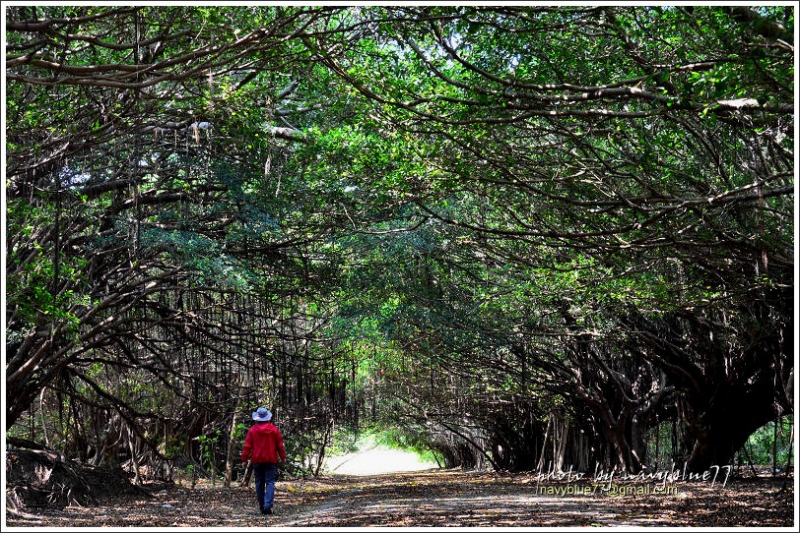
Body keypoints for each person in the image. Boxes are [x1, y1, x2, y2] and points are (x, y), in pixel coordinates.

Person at [241, 407, 286, 515]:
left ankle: (262, 507)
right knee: (270, 482)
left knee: (259, 483)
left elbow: (247, 446)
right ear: (268, 418)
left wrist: (244, 459)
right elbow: (280, 446)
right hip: (271, 460)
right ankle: (267, 505)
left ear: (257, 419)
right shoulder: (274, 430)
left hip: (257, 461)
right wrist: (283, 457)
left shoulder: (252, 430)